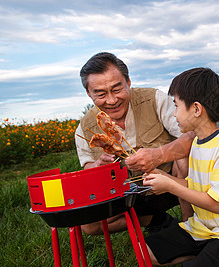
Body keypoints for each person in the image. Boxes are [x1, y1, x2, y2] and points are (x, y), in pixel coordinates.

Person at [142, 68, 219, 267]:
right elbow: (194, 185)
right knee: (145, 253)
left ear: (196, 109)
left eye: (176, 106)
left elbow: (216, 204)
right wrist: (164, 177)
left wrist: (170, 186)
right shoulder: (197, 142)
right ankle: (208, 253)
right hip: (203, 227)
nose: (174, 113)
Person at [75, 52, 194, 235]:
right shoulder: (84, 128)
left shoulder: (154, 99)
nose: (112, 101)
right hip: (128, 196)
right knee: (90, 226)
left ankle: (192, 228)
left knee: (184, 159)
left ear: (128, 82)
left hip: (172, 182)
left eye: (117, 89)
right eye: (100, 94)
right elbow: (87, 169)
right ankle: (155, 220)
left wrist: (159, 155)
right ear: (89, 94)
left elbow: (191, 135)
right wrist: (98, 165)